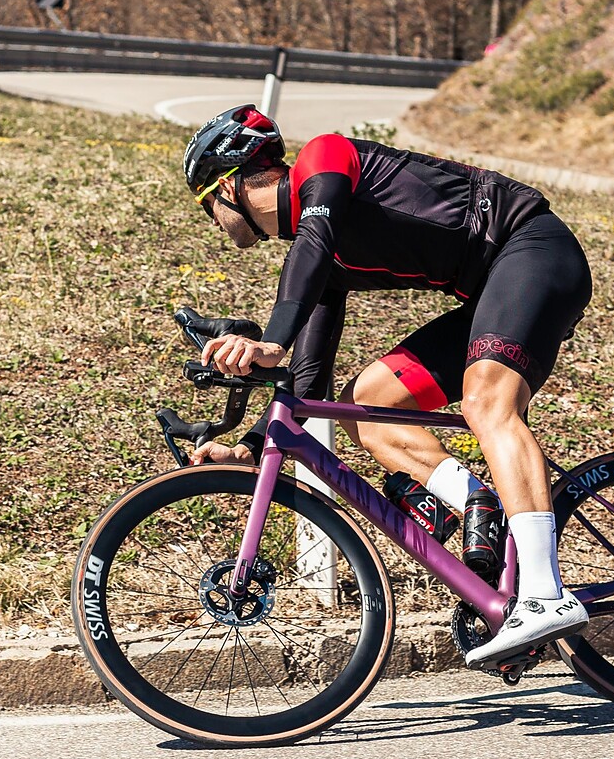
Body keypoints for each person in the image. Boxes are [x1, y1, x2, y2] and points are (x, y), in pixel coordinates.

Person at [180, 104, 593, 668]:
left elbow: (313, 247)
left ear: (227, 187)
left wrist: (270, 341)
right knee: (366, 402)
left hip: (531, 249)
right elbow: (309, 376)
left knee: (486, 403)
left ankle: (544, 595)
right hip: (489, 287)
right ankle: (480, 502)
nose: (213, 223)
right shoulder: (316, 250)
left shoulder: (324, 161)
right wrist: (250, 447)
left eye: (207, 209)